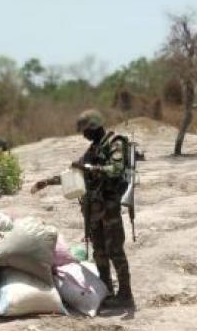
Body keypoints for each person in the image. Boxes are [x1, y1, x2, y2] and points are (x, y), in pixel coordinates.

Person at [31, 110, 134, 309]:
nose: (84, 135)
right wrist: (48, 181)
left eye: (86, 130)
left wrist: (90, 169)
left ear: (95, 126)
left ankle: (125, 294)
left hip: (110, 209)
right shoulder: (93, 149)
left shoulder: (115, 143)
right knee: (99, 252)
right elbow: (76, 174)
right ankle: (106, 291)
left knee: (116, 252)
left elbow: (116, 169)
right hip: (94, 209)